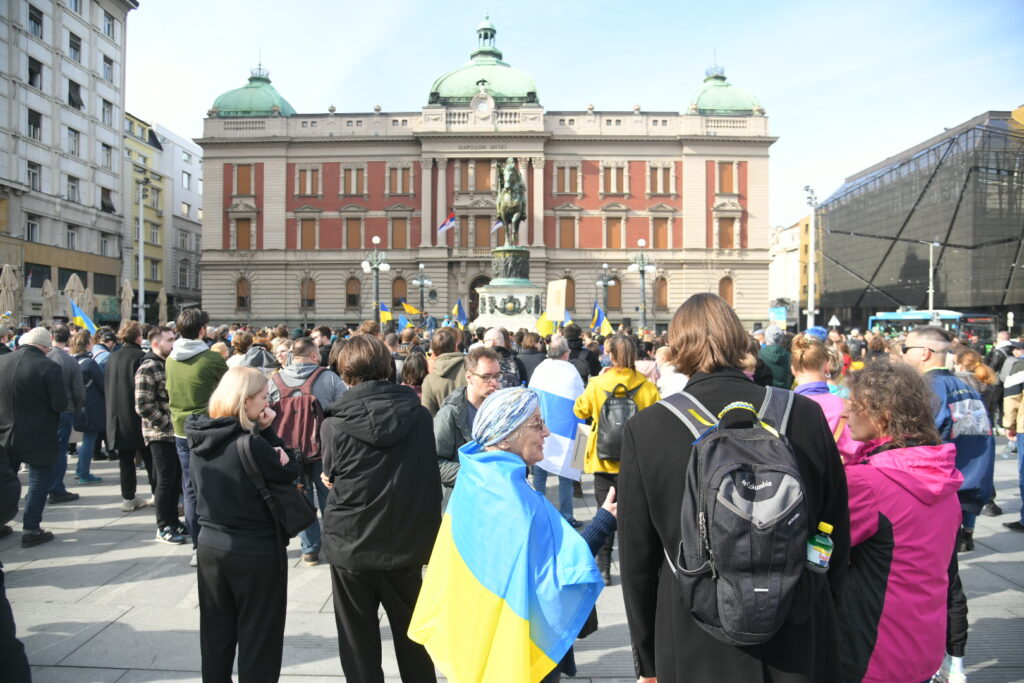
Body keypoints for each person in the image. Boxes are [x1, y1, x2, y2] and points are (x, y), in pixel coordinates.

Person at [618, 293, 850, 683]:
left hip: (695, 626)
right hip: (797, 620)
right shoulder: (804, 415)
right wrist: (822, 601)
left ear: (675, 347)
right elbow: (834, 527)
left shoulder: (648, 428)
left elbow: (637, 558)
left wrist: (648, 657)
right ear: (739, 339)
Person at [410, 387, 608, 683]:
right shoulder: (515, 500)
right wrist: (603, 522)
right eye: (537, 423)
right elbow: (560, 574)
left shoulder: (475, 476)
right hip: (516, 643)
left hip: (474, 633)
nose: (547, 432)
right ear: (504, 437)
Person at [318, 335, 441, 683]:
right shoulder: (418, 416)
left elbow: (331, 473)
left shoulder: (333, 423)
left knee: (358, 643)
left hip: (351, 543)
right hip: (405, 542)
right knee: (413, 637)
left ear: (345, 374)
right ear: (389, 368)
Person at [837, 361, 963, 683]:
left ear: (880, 414)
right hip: (922, 648)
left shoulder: (866, 484)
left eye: (853, 407)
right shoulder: (944, 478)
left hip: (871, 652)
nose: (843, 415)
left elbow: (815, 540)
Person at [186, 367, 299, 683]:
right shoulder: (250, 444)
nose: (267, 407)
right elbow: (289, 471)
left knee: (215, 635)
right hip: (255, 550)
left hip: (210, 544)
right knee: (259, 639)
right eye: (263, 398)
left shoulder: (198, 433)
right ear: (244, 401)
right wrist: (269, 432)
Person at [574, 334, 660, 585]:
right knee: (634, 516)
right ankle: (636, 568)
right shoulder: (647, 387)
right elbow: (656, 420)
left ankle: (604, 568)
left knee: (605, 512)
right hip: (635, 460)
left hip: (603, 459)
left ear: (610, 355)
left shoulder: (598, 384)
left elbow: (579, 410)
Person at [267, 337, 346, 566]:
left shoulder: (275, 381)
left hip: (288, 452)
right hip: (323, 450)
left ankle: (309, 549)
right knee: (328, 497)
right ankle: (333, 545)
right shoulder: (329, 378)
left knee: (299, 498)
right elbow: (342, 413)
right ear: (313, 355)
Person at [168, 308, 229, 567]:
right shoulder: (211, 359)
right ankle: (219, 541)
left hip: (181, 430)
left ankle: (197, 546)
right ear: (202, 330)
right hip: (209, 429)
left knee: (190, 489)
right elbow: (230, 390)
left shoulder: (170, 359)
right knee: (216, 486)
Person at [0, 327, 67, 546]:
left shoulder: (3, 361)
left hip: (4, 432)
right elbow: (60, 404)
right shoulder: (48, 366)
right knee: (38, 481)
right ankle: (31, 528)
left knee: (4, 479)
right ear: (46, 346)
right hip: (38, 434)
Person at [135, 326, 187, 545]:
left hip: (172, 433)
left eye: (174, 339)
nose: (173, 343)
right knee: (165, 480)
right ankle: (163, 526)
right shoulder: (147, 367)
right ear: (155, 343)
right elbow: (142, 405)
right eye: (169, 339)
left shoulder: (168, 364)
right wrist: (167, 423)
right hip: (159, 433)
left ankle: (173, 521)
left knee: (174, 480)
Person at [529, 337, 585, 528]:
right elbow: (581, 404)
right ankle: (567, 517)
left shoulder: (540, 369)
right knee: (566, 478)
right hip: (567, 435)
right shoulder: (571, 373)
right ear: (566, 353)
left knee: (539, 475)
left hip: (540, 429)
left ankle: (539, 514)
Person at [433, 347, 502, 503]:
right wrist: (477, 475)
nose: (494, 383)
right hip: (461, 502)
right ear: (469, 377)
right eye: (486, 377)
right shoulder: (450, 414)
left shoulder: (500, 407)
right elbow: (433, 463)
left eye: (497, 376)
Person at [105, 322, 154, 513]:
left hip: (116, 416)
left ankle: (128, 498)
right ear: (138, 337)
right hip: (137, 416)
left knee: (125, 461)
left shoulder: (112, 357)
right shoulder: (141, 357)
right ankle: (156, 493)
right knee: (151, 458)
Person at [790, 333, 859, 462]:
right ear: (827, 366)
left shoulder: (783, 405)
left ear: (793, 370)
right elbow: (854, 450)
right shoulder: (844, 405)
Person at [46, 325, 85, 503]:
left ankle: (43, 486)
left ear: (52, 336)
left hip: (45, 410)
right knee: (60, 451)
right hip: (66, 410)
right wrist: (77, 409)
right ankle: (56, 488)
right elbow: (79, 390)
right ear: (68, 339)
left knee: (45, 450)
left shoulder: (44, 356)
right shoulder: (70, 361)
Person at [69, 329, 105, 484]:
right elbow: (102, 384)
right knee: (89, 441)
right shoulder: (89, 364)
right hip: (92, 407)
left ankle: (80, 469)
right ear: (87, 344)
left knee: (85, 440)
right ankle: (83, 472)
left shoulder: (73, 361)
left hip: (79, 406)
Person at [420, 328, 466, 416]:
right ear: (456, 347)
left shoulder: (429, 380)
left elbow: (428, 414)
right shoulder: (471, 368)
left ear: (433, 351)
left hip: (440, 428)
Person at [758, 323, 793, 389]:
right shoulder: (789, 356)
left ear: (766, 338)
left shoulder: (758, 355)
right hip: (786, 393)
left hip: (764, 393)